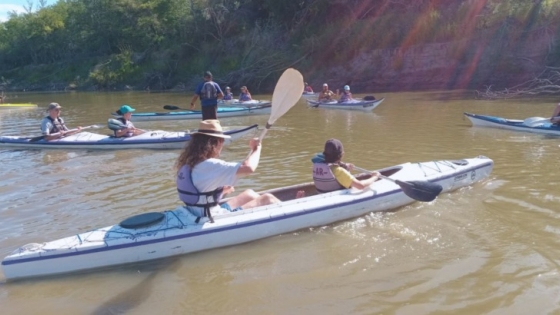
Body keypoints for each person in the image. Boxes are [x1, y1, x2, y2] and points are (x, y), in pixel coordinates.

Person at [175, 119, 281, 223]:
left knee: (250, 194)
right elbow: (248, 168)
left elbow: (200, 190)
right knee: (268, 198)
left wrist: (222, 190)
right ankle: (291, 211)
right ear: (217, 142)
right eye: (222, 141)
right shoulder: (210, 165)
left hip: (196, 212)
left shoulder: (189, 162)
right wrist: (257, 149)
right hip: (212, 217)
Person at [311, 139, 380, 193]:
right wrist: (374, 177)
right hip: (335, 198)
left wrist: (345, 166)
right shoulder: (340, 172)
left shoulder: (318, 163)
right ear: (342, 154)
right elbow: (360, 186)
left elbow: (330, 163)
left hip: (322, 194)